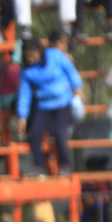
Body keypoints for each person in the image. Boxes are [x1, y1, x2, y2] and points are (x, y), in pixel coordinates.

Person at [16, 38, 81, 177]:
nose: (30, 59)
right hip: (43, 105)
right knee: (35, 133)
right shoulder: (26, 72)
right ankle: (39, 167)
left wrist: (78, 87)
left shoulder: (55, 55)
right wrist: (22, 117)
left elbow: (70, 69)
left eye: (33, 56)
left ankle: (65, 165)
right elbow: (24, 95)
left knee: (59, 133)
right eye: (27, 56)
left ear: (40, 52)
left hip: (62, 102)